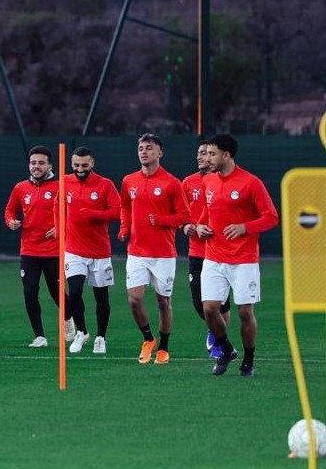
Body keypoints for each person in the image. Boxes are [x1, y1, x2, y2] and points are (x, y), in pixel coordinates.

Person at [193, 134, 278, 377]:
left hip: (244, 260)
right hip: (213, 257)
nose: (208, 158)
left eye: (212, 154)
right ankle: (227, 350)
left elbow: (271, 217)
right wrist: (200, 227)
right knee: (209, 309)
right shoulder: (208, 181)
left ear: (226, 155)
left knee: (244, 312)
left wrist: (245, 227)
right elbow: (207, 214)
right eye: (206, 153)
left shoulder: (251, 182)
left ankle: (248, 359)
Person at [119, 133, 190, 365]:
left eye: (149, 148)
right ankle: (148, 339)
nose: (144, 152)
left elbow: (184, 216)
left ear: (160, 152)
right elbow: (125, 207)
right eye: (141, 148)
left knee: (163, 302)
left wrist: (161, 220)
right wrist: (124, 228)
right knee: (134, 300)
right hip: (136, 252)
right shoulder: (129, 180)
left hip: (163, 254)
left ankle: (164, 348)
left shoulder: (172, 183)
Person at [62, 147, 121, 354]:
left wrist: (94, 214)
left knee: (101, 297)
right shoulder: (65, 182)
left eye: (84, 165)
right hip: (74, 250)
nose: (80, 169)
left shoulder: (105, 184)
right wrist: (60, 231)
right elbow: (58, 207)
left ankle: (100, 337)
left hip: (99, 252)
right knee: (74, 292)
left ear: (92, 164)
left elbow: (118, 211)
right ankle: (81, 332)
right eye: (76, 165)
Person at [5, 145, 62, 348]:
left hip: (53, 250)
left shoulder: (61, 186)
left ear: (50, 165)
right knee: (30, 291)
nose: (36, 166)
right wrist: (11, 221)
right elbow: (9, 210)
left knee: (57, 293)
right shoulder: (20, 188)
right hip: (29, 250)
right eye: (33, 163)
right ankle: (39, 336)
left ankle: (70, 320)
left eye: (41, 163)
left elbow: (71, 212)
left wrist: (60, 227)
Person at [181, 141, 231, 359]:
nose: (202, 157)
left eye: (207, 153)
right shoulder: (188, 182)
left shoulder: (226, 181)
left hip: (221, 252)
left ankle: (219, 341)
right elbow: (179, 213)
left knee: (221, 303)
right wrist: (186, 226)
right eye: (200, 153)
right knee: (198, 302)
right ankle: (214, 327)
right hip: (197, 251)